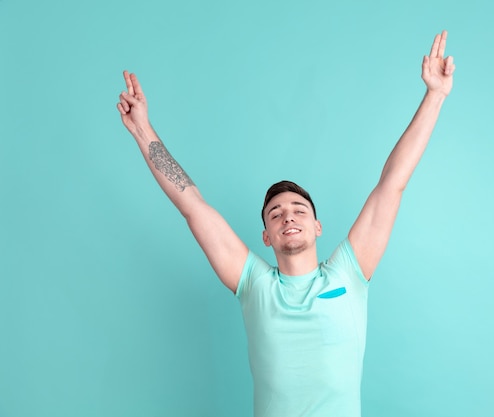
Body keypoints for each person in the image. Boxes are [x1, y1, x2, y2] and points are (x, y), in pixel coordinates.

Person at [117, 30, 455, 417]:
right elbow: (192, 204)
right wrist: (142, 130)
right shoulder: (254, 285)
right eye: (275, 213)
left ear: (317, 227)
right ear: (266, 236)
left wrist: (435, 96)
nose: (288, 215)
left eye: (298, 209)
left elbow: (391, 185)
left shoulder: (349, 273)